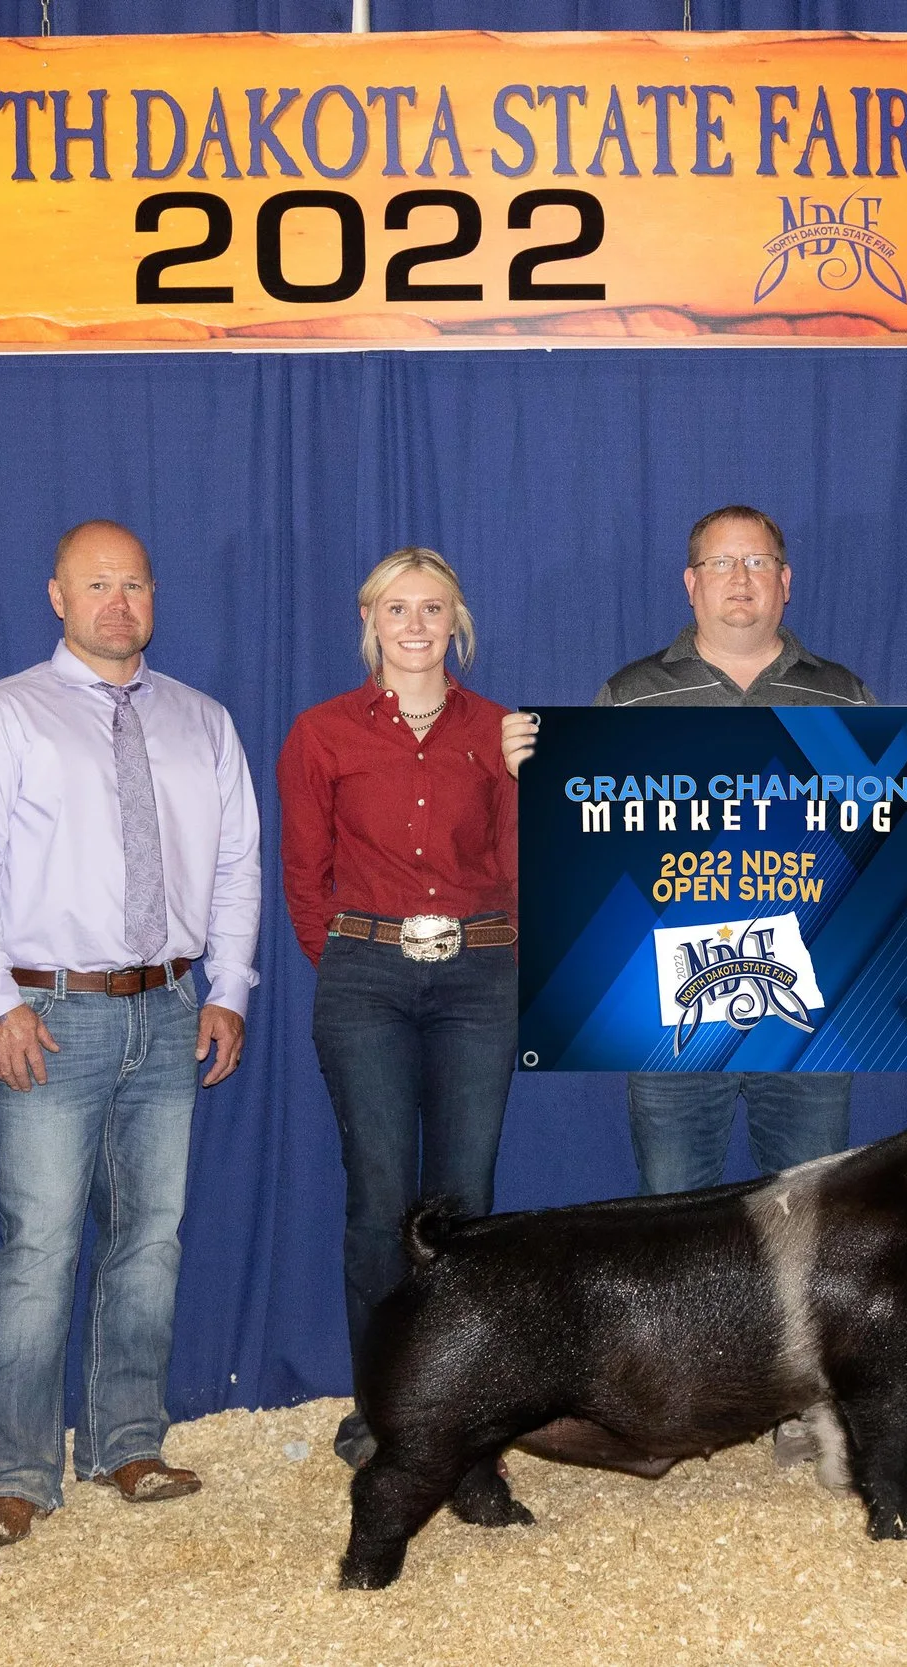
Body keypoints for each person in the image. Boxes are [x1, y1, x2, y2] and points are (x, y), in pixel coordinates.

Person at [505, 503, 907, 1469]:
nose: (741, 579)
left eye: (759, 562)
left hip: (810, 1009)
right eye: (722, 563)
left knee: (814, 1214)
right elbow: (594, 838)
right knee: (675, 1211)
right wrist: (538, 773)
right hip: (671, 1013)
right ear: (691, 583)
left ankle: (803, 1401)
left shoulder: (841, 693)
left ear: (787, 581)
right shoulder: (631, 697)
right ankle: (677, 1406)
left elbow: (875, 839)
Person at [0, 520, 262, 1548]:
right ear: (57, 596)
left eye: (135, 584)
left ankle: (128, 1439)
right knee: (37, 1247)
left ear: (154, 598)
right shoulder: (1, 715)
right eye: (97, 584)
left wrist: (230, 986)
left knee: (149, 1241)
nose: (118, 602)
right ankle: (16, 1474)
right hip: (52, 1015)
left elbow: (237, 866)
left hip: (171, 1008)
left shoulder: (203, 721)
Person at [279, 548, 522, 1471]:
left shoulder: (500, 731)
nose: (414, 626)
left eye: (432, 609)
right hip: (367, 977)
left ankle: (458, 1402)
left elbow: (514, 866)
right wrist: (352, 956)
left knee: (465, 1202)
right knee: (381, 1196)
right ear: (369, 620)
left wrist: (499, 955)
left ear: (456, 621)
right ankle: (382, 1408)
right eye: (396, 609)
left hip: (479, 977)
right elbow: (305, 877)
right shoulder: (322, 734)